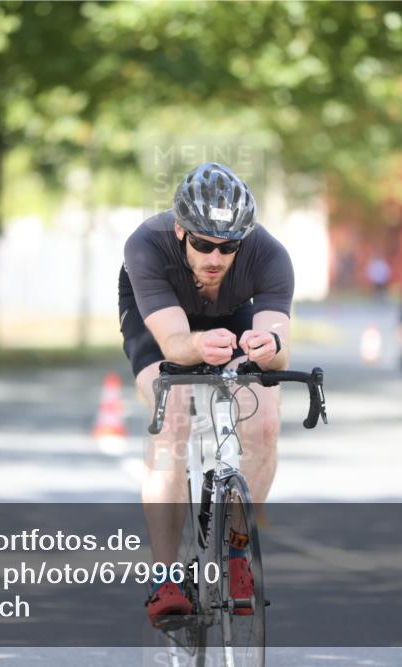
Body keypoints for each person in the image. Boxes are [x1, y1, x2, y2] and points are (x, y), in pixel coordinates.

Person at [118, 162, 294, 626]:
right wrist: (197, 347)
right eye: (202, 244)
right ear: (181, 231)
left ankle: (237, 551)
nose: (215, 257)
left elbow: (278, 343)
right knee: (172, 410)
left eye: (228, 246)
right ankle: (166, 576)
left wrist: (268, 346)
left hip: (230, 315)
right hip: (160, 320)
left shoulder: (269, 253)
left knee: (264, 412)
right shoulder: (146, 245)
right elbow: (176, 344)